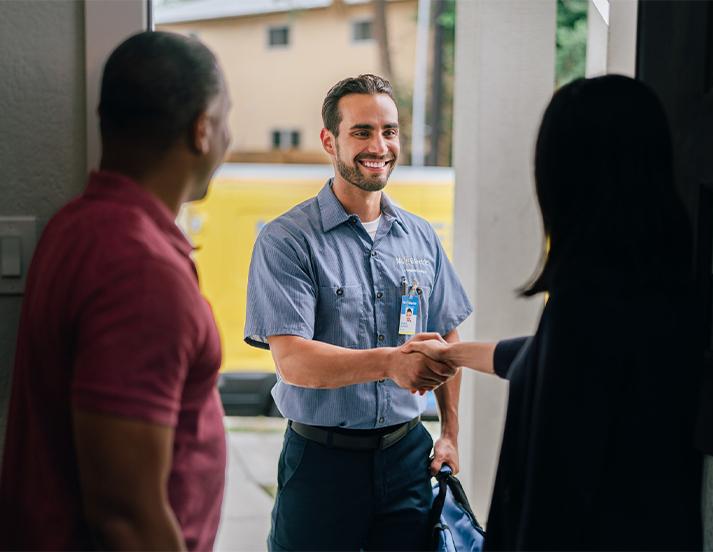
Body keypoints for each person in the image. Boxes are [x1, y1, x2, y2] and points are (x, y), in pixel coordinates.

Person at [404, 75, 702, 549]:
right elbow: (538, 359)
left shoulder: (586, 302)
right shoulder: (670, 290)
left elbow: (553, 498)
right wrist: (454, 355)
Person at [0, 31, 231, 551]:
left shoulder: (78, 224)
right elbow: (125, 516)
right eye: (226, 119)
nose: (228, 138)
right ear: (201, 130)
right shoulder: (140, 271)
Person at [244, 74, 472, 550]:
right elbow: (294, 361)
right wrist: (390, 361)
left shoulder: (421, 236)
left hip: (408, 456)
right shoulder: (288, 240)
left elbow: (448, 336)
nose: (379, 146)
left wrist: (449, 432)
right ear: (330, 140)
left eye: (389, 131)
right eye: (362, 132)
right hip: (321, 462)